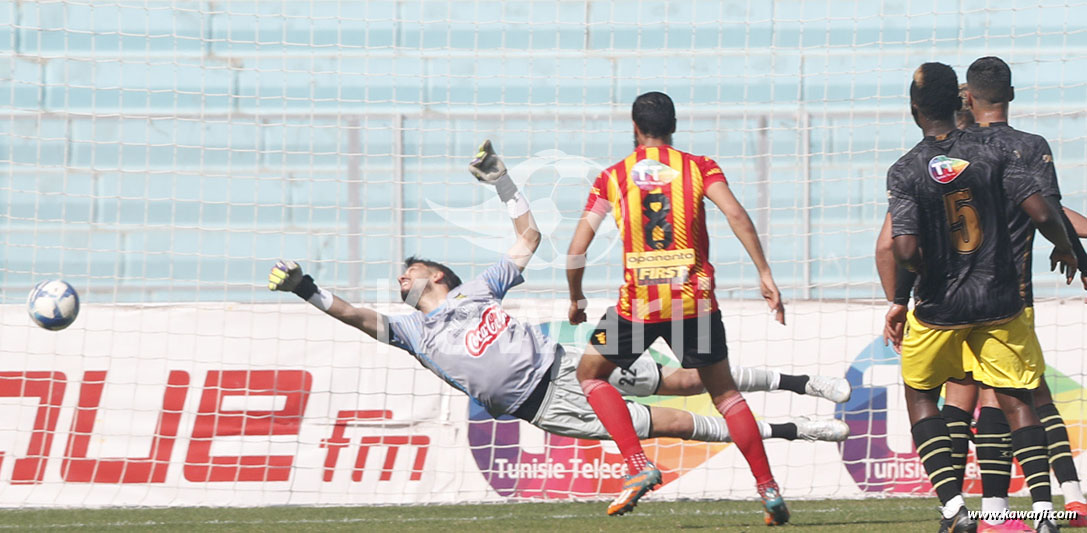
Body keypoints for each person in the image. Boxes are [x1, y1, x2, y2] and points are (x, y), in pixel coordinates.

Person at [268, 141, 850, 486]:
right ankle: (798, 431)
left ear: (437, 276)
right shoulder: (410, 332)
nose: (400, 278)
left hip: (567, 360)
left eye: (409, 270)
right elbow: (352, 315)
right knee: (674, 423)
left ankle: (801, 384)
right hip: (544, 404)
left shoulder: (477, 290)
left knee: (686, 379)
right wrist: (306, 288)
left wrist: (503, 182)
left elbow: (530, 233)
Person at [877, 60, 1087, 531]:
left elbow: (903, 248)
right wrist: (1069, 250)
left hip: (940, 307)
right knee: (1017, 396)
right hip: (1001, 299)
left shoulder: (905, 170)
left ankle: (955, 507)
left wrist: (906, 289)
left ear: (913, 111)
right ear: (960, 102)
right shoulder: (997, 152)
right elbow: (1041, 209)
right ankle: (1044, 510)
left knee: (923, 394)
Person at [565, 91, 791, 524]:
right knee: (724, 394)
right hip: (695, 302)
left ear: (635, 128)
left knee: (590, 375)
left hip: (638, 306)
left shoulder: (612, 177)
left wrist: (576, 299)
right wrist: (764, 272)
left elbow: (576, 251)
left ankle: (637, 466)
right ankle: (768, 490)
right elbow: (737, 215)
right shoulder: (699, 167)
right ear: (674, 126)